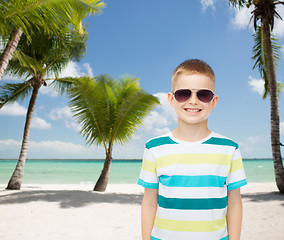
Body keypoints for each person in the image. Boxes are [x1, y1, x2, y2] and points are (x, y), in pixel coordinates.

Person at [137, 59, 247, 240]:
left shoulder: (229, 149)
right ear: (172, 100)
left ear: (214, 101)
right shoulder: (154, 148)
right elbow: (149, 203)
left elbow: (234, 203)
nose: (193, 101)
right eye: (183, 94)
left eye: (203, 94)